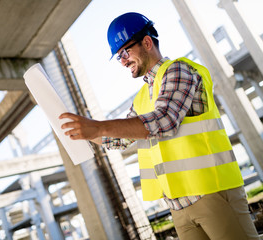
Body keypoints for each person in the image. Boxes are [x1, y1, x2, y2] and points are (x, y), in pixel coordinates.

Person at [59, 12, 259, 240]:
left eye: (125, 51)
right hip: (178, 206)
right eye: (118, 56)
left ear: (146, 42)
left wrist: (99, 127)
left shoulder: (179, 70)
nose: (122, 61)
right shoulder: (143, 97)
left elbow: (165, 120)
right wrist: (79, 132)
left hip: (213, 193)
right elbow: (118, 140)